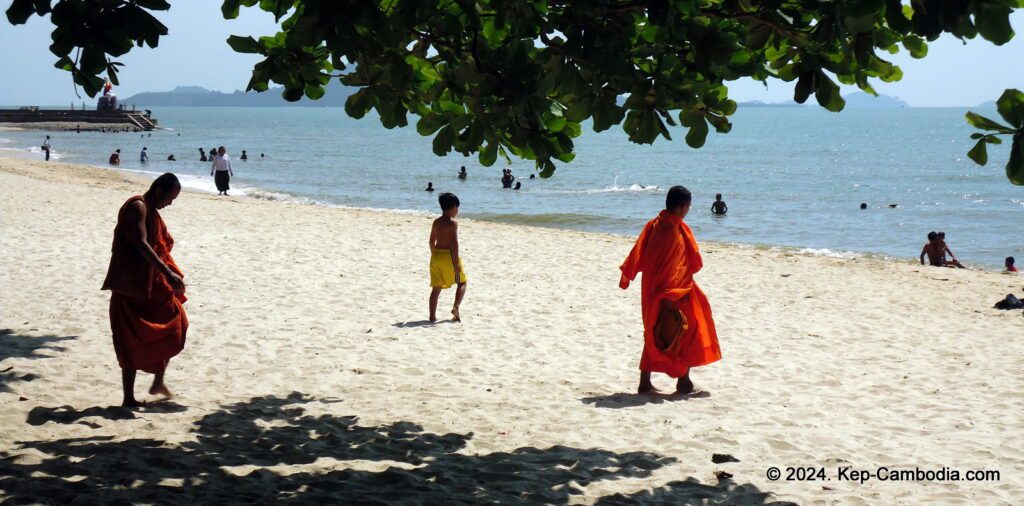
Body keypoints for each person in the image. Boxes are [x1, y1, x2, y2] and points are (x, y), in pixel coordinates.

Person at [619, 186, 722, 395]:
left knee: (654, 332)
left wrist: (629, 275)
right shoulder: (674, 230)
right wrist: (671, 293)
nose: (688, 210)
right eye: (688, 206)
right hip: (672, 291)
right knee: (686, 329)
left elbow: (638, 253)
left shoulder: (654, 225)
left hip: (652, 290)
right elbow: (684, 262)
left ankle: (645, 383)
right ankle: (684, 382)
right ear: (682, 206)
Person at [100, 173, 188, 407]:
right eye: (170, 198)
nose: (170, 203)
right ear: (158, 190)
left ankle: (158, 381)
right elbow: (141, 242)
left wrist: (167, 273)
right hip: (130, 283)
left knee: (178, 322)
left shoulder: (153, 212)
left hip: (151, 281)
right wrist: (167, 272)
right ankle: (128, 397)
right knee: (128, 338)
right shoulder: (137, 206)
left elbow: (159, 244)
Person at [429, 192, 467, 322]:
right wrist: (456, 262)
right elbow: (454, 243)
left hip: (436, 256)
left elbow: (431, 241)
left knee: (436, 288)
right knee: (462, 282)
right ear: (452, 208)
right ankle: (456, 307)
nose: (457, 211)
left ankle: (432, 317)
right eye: (457, 208)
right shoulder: (453, 223)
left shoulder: (436, 222)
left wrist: (434, 255)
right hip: (448, 256)